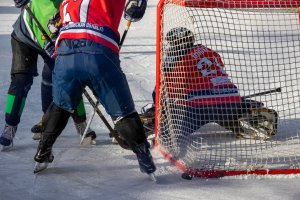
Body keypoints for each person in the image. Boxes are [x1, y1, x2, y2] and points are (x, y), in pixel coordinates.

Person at [33, 0, 156, 178]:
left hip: (66, 55)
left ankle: (42, 152)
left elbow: (54, 24)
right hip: (99, 50)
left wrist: (54, 30)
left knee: (60, 106)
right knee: (123, 113)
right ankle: (145, 160)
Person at [143, 27, 278, 152]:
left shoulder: (175, 58)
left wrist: (158, 107)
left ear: (176, 44)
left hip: (197, 109)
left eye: (171, 43)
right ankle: (248, 115)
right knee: (229, 113)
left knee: (170, 129)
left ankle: (155, 132)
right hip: (229, 99)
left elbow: (166, 88)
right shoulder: (209, 51)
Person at [0, 0, 96, 151]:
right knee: (21, 81)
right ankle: (10, 126)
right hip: (26, 34)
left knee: (69, 79)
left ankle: (80, 123)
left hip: (55, 36)